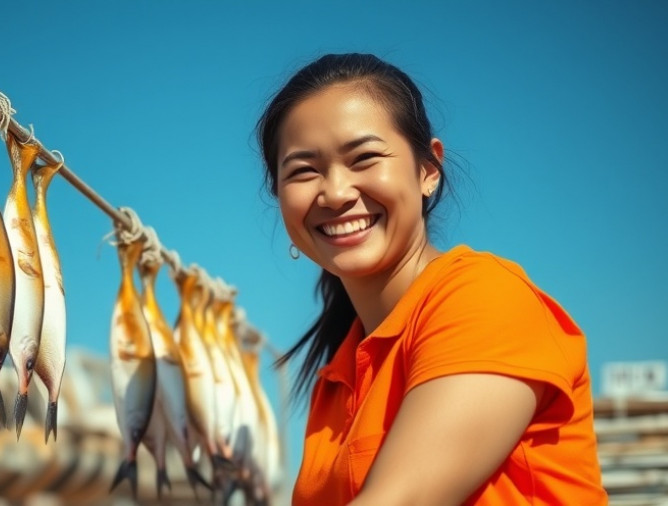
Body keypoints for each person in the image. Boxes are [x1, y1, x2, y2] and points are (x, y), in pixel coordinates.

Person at [256, 53, 607, 505]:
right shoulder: (337, 375)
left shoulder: (483, 297)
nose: (336, 193)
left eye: (364, 158)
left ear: (428, 170)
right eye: (303, 171)